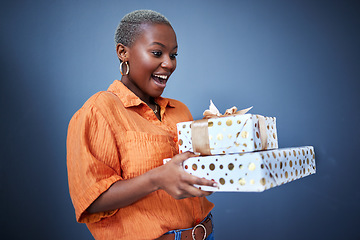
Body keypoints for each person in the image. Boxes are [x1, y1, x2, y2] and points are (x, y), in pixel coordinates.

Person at [67, 10, 216, 240]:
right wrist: (156, 179)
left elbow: (191, 173)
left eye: (173, 55)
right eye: (157, 53)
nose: (168, 64)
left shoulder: (181, 110)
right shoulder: (99, 111)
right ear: (123, 52)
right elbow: (91, 200)